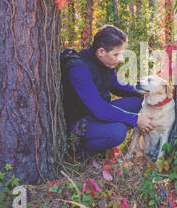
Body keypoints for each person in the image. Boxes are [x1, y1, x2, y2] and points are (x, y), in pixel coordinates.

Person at [62, 25, 155, 156]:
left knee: (139, 102)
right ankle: (80, 153)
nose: (120, 59)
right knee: (118, 132)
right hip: (79, 122)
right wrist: (134, 119)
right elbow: (99, 109)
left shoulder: (104, 62)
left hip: (97, 114)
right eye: (116, 54)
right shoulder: (78, 69)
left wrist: (144, 92)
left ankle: (103, 138)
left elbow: (116, 86)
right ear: (101, 52)